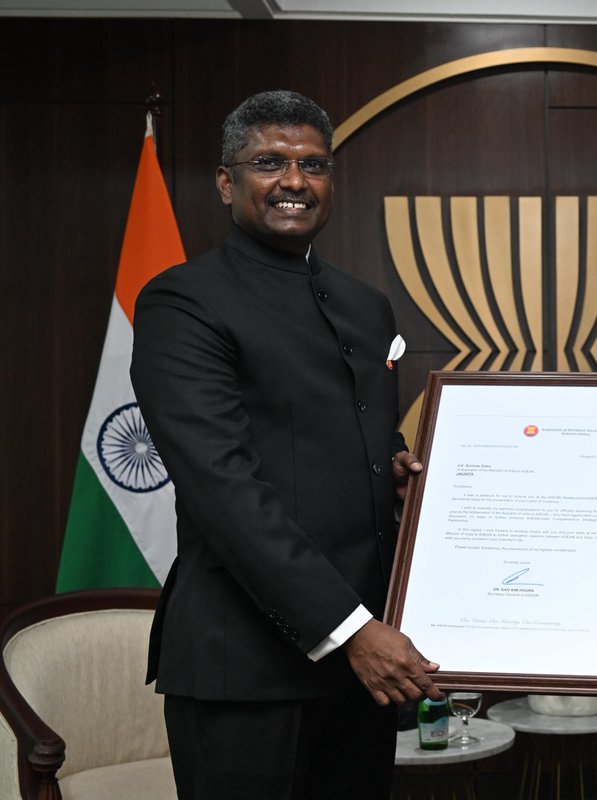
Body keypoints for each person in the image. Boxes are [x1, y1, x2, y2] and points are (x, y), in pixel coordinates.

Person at [131, 90, 440, 800]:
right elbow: (222, 488)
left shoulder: (366, 304)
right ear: (225, 181)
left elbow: (356, 434)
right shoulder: (182, 301)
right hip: (247, 670)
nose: (295, 181)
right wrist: (351, 629)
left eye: (313, 165)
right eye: (270, 162)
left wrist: (392, 467)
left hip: (363, 666)